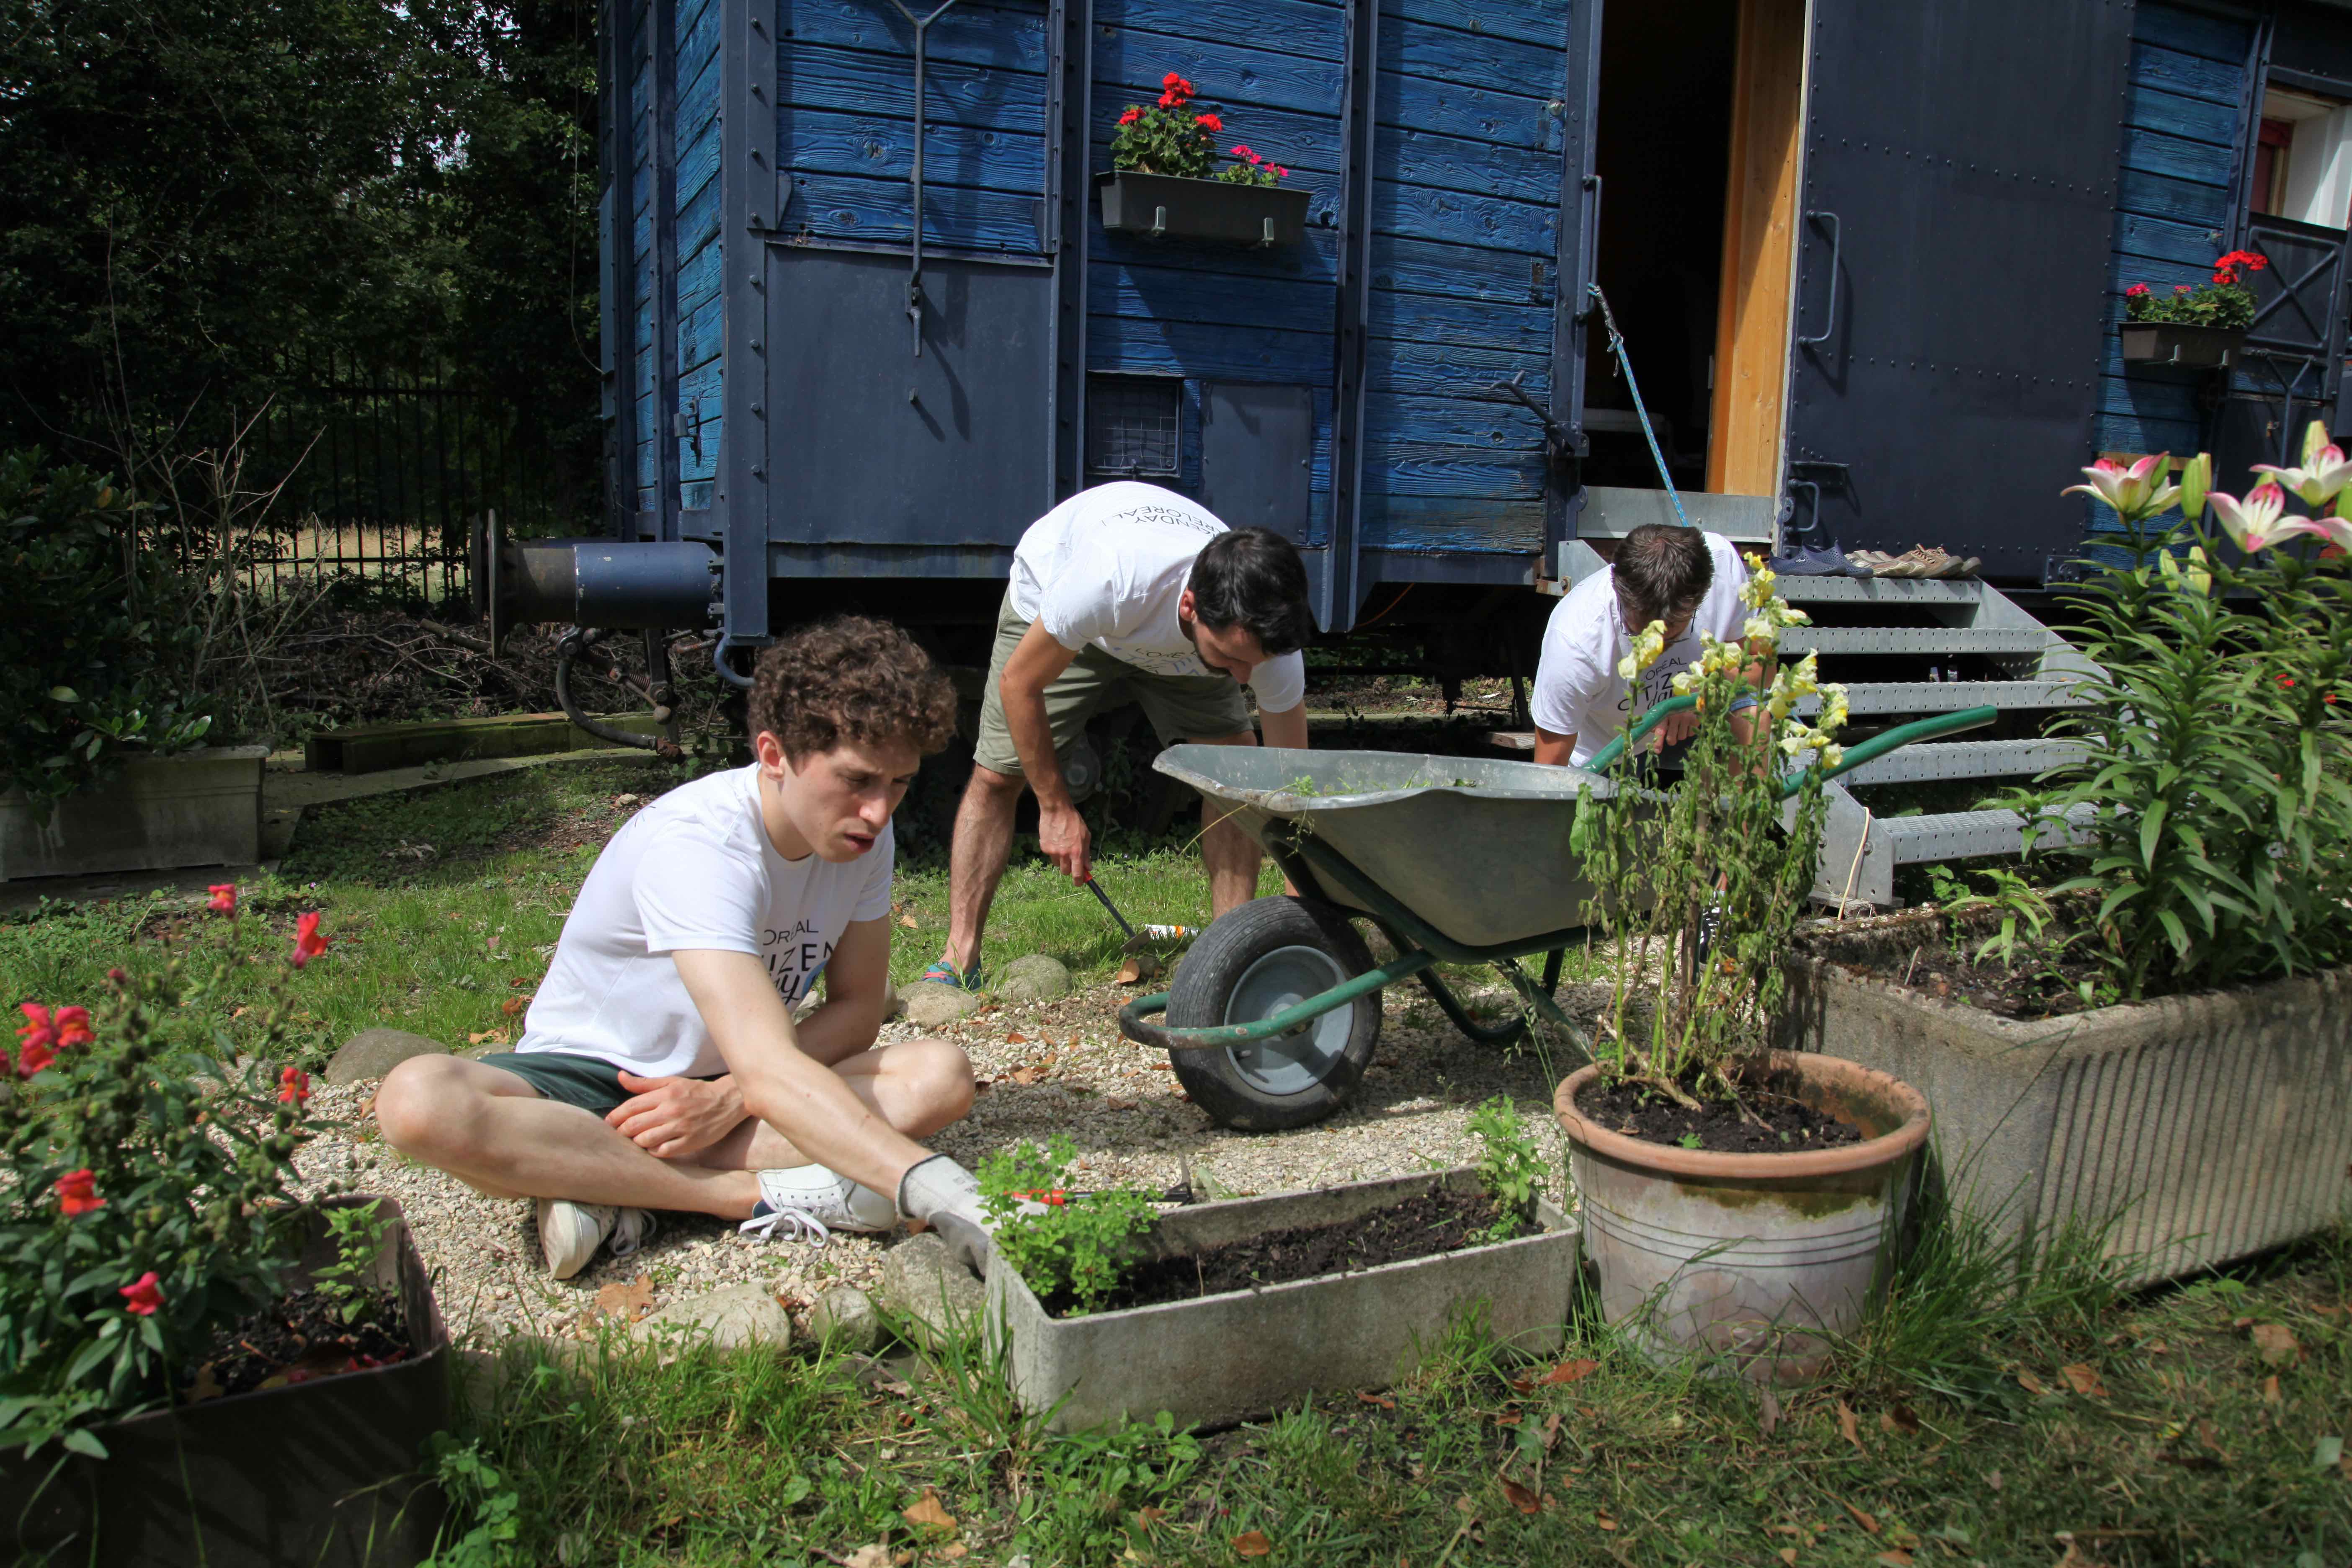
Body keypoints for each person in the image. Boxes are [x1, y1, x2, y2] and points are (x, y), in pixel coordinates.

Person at [375, 617, 999, 1281]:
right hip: (595, 1082)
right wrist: (950, 1196)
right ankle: (741, 1196)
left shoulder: (863, 836)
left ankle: (593, 1178)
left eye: (899, 783)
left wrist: (728, 1099)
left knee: (939, 1076)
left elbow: (857, 1010)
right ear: (774, 755)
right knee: (419, 1101)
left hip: (736, 1083)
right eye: (857, 780)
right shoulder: (701, 844)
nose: (879, 810)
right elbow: (771, 1067)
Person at [925, 481, 1315, 990]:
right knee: (999, 774)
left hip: (1181, 648)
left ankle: (1230, 954)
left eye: (1253, 663)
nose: (1244, 679)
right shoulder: (1107, 580)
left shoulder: (1262, 645)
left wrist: (1300, 920)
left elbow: (1291, 786)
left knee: (1236, 775)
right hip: (1064, 616)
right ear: (1191, 606)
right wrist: (1055, 808)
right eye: (1232, 659)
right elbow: (1020, 684)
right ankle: (959, 957)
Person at [1530, 524, 1755, 768]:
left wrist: (1701, 698)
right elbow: (1549, 770)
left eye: (1671, 637)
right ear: (1619, 591)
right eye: (1637, 635)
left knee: (1754, 717)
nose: (1655, 650)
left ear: (1699, 601)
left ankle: (1730, 794)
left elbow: (1761, 666)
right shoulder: (1574, 641)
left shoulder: (1722, 565)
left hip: (1695, 722)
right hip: (1608, 749)